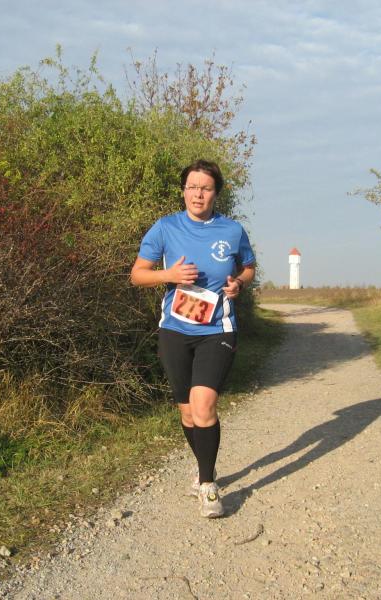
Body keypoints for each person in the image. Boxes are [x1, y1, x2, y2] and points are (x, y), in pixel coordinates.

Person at [130, 159, 256, 518]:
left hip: (217, 329)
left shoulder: (232, 230)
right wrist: (168, 275)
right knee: (187, 413)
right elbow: (137, 275)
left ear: (216, 193)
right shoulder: (166, 227)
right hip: (175, 330)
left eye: (206, 188)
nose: (198, 194)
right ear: (183, 190)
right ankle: (205, 466)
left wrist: (239, 283)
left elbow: (248, 267)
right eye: (192, 187)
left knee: (203, 406)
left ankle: (207, 485)